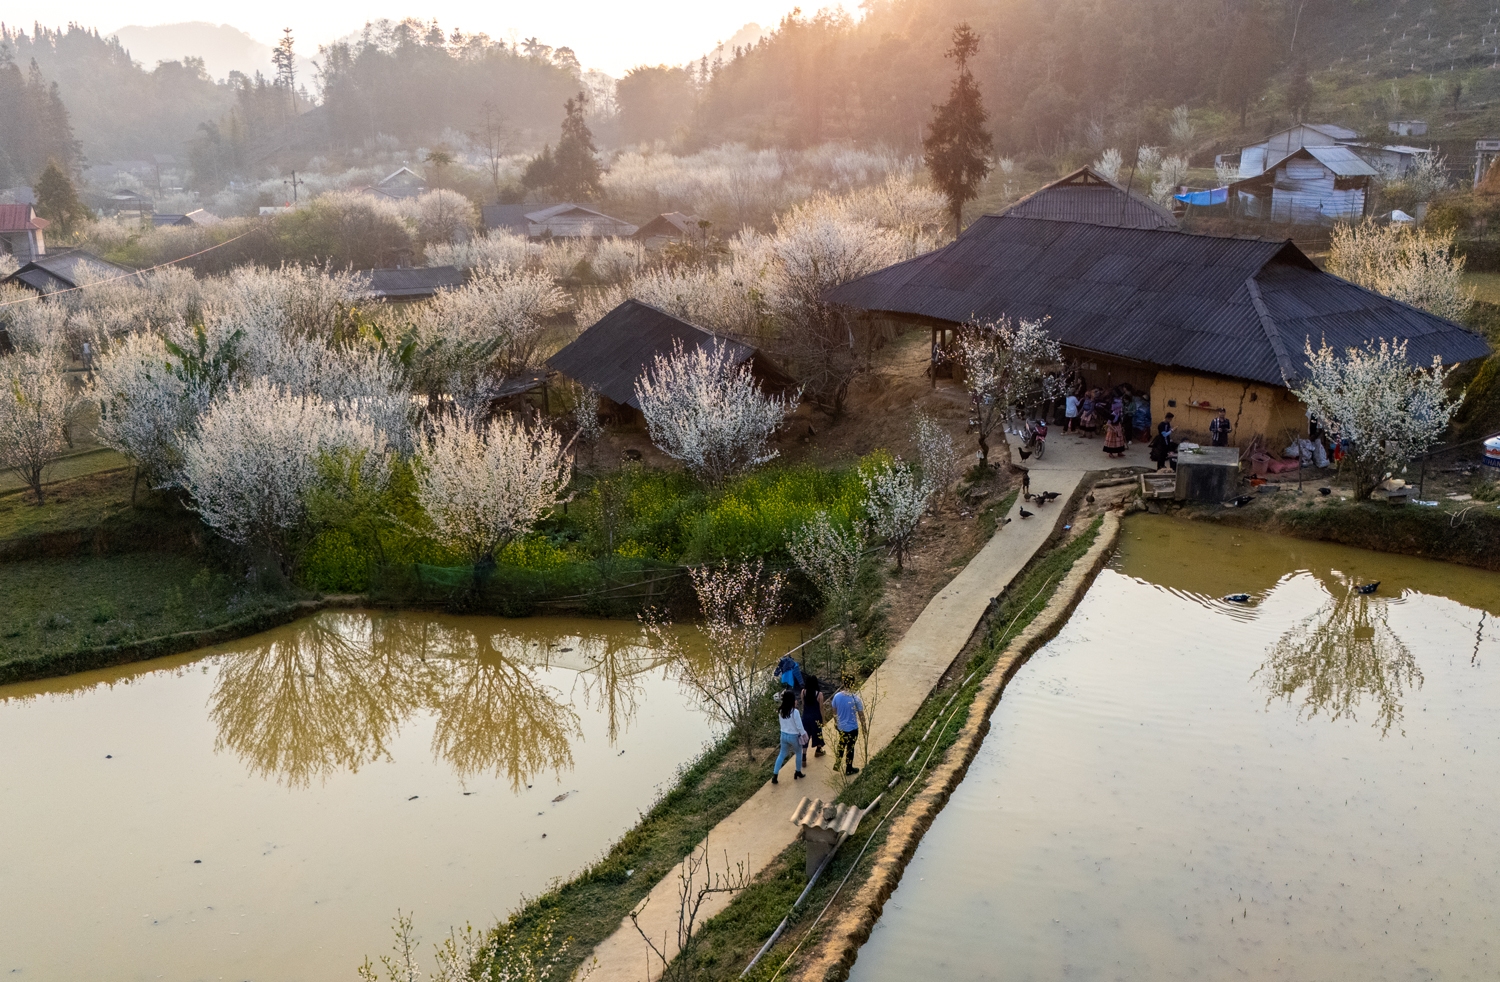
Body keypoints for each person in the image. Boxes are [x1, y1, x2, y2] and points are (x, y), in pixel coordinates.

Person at [830, 676, 866, 776]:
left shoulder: (837, 696)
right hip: (853, 728)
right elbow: (861, 715)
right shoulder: (856, 698)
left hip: (841, 727)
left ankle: (838, 762)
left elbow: (834, 710)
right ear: (853, 684)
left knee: (841, 744)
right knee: (850, 748)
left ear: (844, 683)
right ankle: (848, 768)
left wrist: (836, 722)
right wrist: (864, 728)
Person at [771, 689, 806, 784]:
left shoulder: (781, 711)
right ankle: (798, 772)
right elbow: (799, 726)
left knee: (781, 754)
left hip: (783, 735)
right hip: (793, 736)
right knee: (798, 752)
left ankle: (775, 775)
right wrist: (804, 734)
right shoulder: (795, 712)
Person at [801, 671, 827, 757]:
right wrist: (823, 719)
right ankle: (818, 750)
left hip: (806, 717)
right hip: (816, 717)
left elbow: (803, 704)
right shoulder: (819, 694)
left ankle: (804, 756)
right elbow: (821, 708)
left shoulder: (803, 692)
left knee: (806, 735)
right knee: (818, 733)